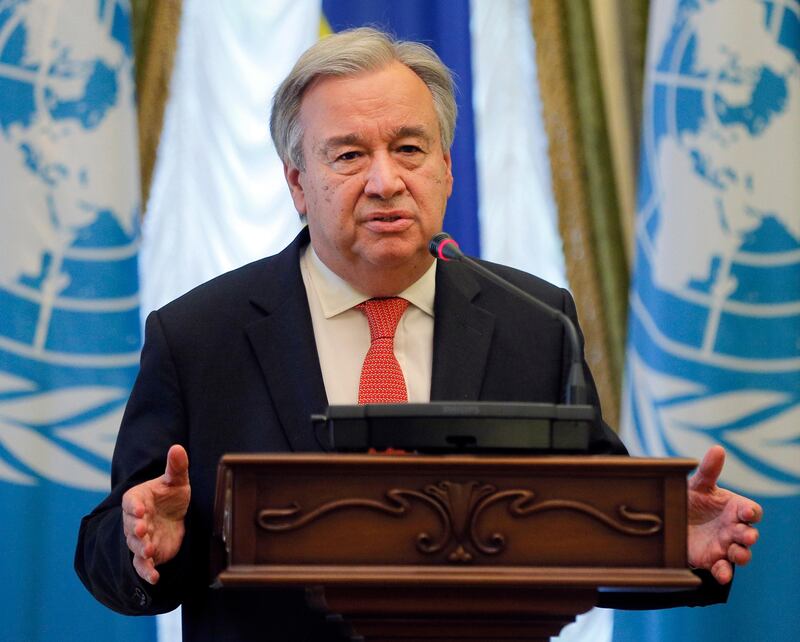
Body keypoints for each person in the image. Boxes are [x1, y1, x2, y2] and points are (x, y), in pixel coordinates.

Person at [75, 27, 762, 641]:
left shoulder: (533, 321)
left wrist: (672, 540)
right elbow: (110, 542)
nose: (385, 181)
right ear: (296, 183)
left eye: (409, 148)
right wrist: (148, 546)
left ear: (446, 167)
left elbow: (584, 524)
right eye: (348, 156)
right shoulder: (201, 335)